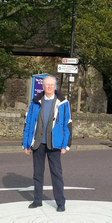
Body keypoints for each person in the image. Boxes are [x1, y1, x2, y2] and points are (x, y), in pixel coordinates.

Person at [22, 75, 72, 212]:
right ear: (42, 87)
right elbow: (28, 123)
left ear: (55, 86)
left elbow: (68, 124)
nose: (49, 87)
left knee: (56, 173)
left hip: (54, 144)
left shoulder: (63, 103)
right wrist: (26, 143)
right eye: (46, 85)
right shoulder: (35, 102)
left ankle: (60, 202)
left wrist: (65, 145)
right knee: (37, 173)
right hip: (38, 143)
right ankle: (37, 200)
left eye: (51, 85)